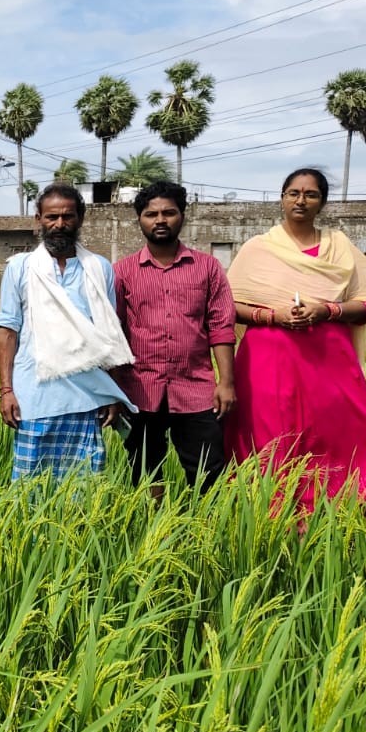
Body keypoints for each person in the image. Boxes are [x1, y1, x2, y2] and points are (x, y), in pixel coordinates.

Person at [224, 167, 366, 512]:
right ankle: (268, 511)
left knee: (340, 430)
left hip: (328, 360)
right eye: (293, 193)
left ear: (322, 202)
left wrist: (326, 310)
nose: (301, 200)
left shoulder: (340, 248)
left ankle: (354, 503)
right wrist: (272, 316)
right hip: (268, 358)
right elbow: (228, 305)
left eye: (310, 194)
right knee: (270, 433)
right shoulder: (257, 249)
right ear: (282, 199)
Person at [0, 183, 135, 481]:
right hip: (34, 394)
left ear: (80, 218)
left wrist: (110, 392)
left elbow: (108, 333)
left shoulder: (99, 268)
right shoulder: (21, 267)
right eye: (51, 217)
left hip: (86, 397)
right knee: (29, 487)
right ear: (39, 220)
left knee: (83, 487)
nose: (59, 224)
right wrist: (6, 390)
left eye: (67, 217)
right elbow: (7, 330)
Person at [113, 180, 237, 495]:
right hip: (140, 388)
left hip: (195, 388)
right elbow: (113, 332)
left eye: (169, 212)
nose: (160, 220)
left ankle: (208, 533)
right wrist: (112, 390)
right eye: (151, 214)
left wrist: (226, 382)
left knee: (209, 469)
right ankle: (154, 532)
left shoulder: (207, 268)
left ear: (182, 215)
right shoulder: (122, 272)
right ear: (139, 219)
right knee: (144, 469)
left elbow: (220, 326)